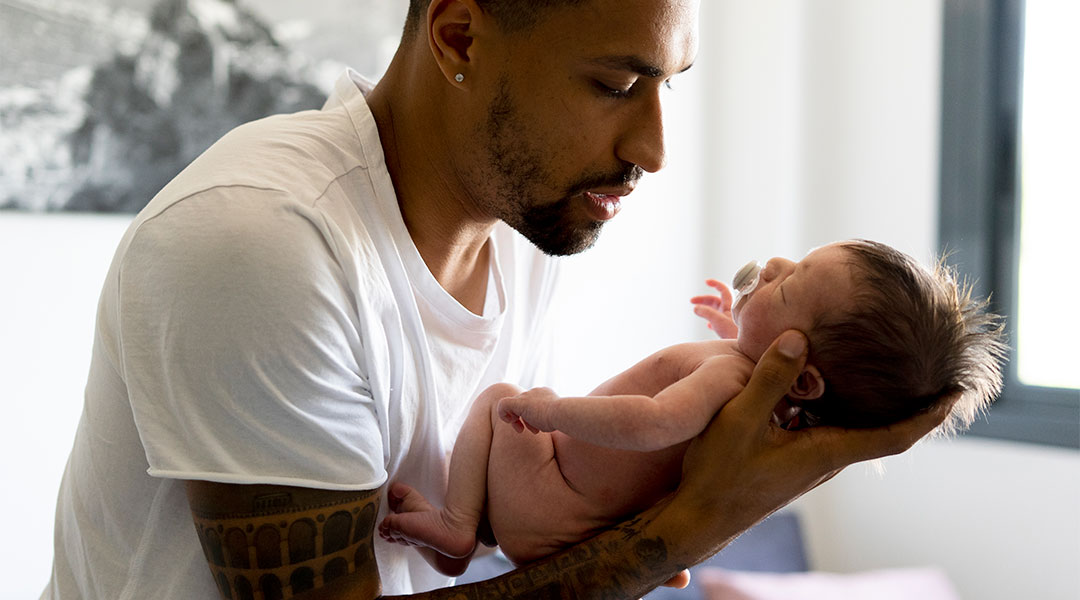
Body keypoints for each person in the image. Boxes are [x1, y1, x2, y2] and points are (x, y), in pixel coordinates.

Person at [42, 2, 958, 599]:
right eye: (615, 84)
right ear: (459, 37)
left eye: (669, 86)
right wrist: (683, 530)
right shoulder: (260, 243)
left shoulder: (526, 234)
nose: (655, 149)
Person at [377, 239, 1006, 571]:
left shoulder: (727, 379)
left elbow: (656, 424)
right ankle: (471, 539)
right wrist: (737, 329)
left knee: (504, 398)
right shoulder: (755, 405)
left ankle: (458, 527)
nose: (778, 263)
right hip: (554, 524)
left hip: (552, 492)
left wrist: (552, 412)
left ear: (805, 378)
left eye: (789, 287)